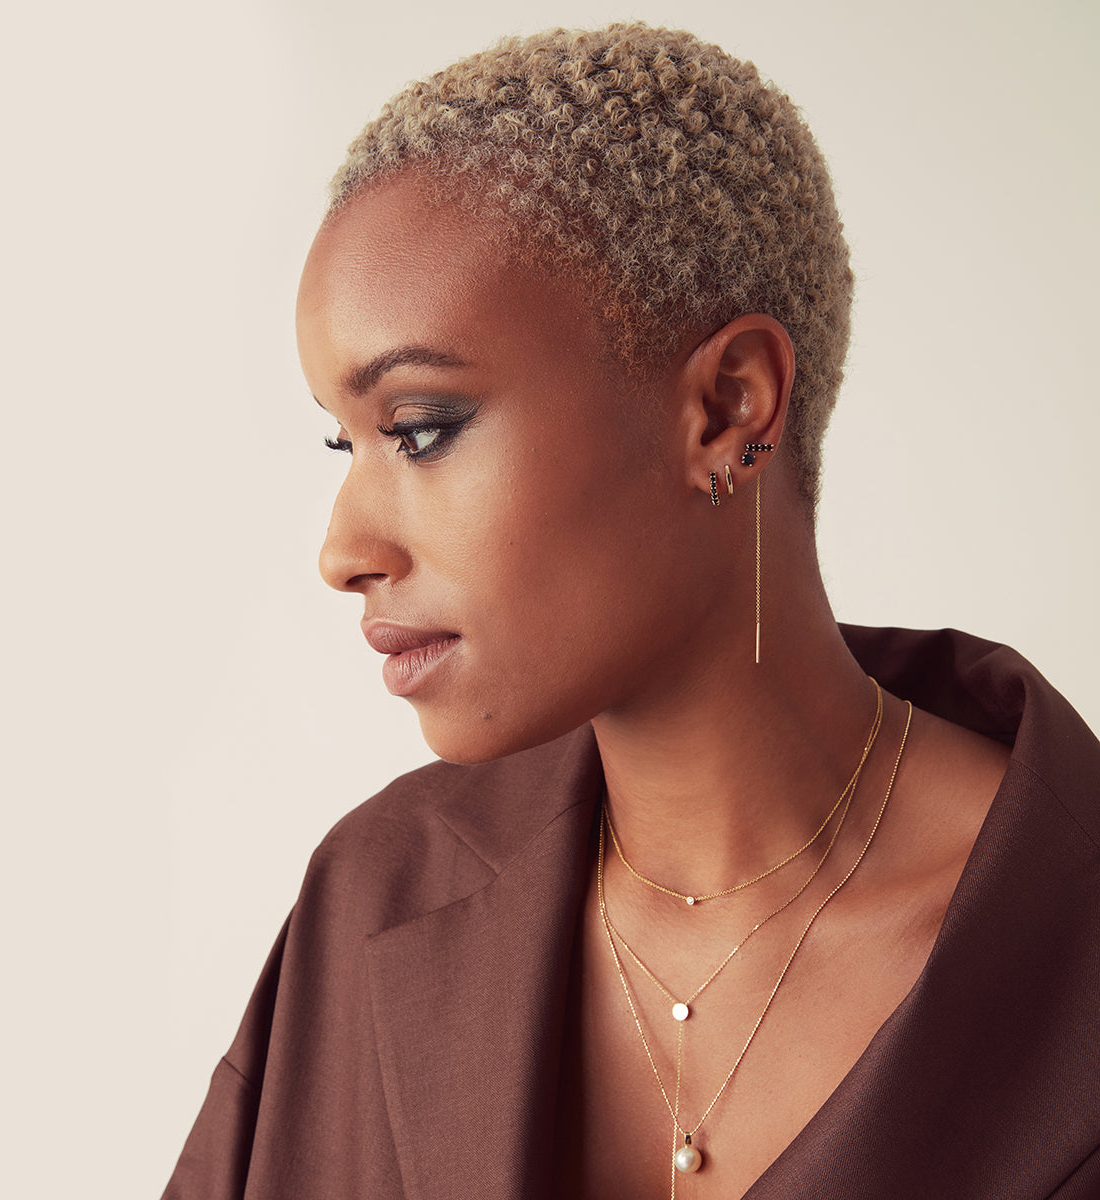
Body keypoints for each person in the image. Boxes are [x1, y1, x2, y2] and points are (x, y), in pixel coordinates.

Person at [163, 22, 1100, 1200]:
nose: (344, 550)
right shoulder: (374, 898)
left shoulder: (1067, 949)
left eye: (421, 430)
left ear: (725, 409)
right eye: (342, 443)